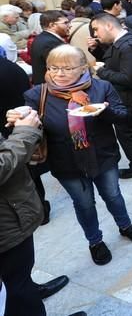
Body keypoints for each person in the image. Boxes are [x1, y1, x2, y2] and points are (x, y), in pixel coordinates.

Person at [18, 45, 132, 265]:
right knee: (84, 204)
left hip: (102, 156)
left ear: (82, 68)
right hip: (66, 163)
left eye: (67, 68)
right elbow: (32, 130)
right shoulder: (36, 95)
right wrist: (21, 121)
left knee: (113, 195)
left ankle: (125, 226)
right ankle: (95, 241)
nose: (59, 73)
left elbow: (123, 116)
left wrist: (105, 110)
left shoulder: (101, 87)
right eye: (54, 67)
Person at [0, 108, 76, 316]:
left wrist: (18, 123)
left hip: (12, 211)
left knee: (19, 275)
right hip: (6, 225)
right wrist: (24, 133)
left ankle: (30, 290)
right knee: (16, 288)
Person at [89, 13, 132, 179]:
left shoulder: (128, 45)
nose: (95, 34)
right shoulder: (122, 43)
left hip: (129, 98)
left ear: (109, 26)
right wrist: (97, 51)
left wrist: (102, 71)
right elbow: (116, 62)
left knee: (127, 133)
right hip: (129, 97)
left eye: (96, 29)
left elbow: (127, 79)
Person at [30, 11, 70, 84]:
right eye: (65, 23)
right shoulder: (50, 43)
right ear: (52, 25)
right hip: (53, 87)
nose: (70, 25)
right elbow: (63, 68)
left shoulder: (44, 38)